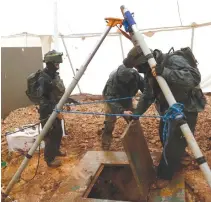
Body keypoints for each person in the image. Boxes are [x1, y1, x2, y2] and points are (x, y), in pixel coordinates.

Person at [123, 46, 206, 188]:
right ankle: (181, 157)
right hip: (168, 110)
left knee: (173, 143)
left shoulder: (173, 60)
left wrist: (166, 72)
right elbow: (148, 95)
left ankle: (165, 176)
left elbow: (193, 77)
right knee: (163, 134)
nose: (137, 70)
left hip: (186, 108)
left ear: (144, 62)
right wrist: (136, 114)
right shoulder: (150, 71)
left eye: (137, 66)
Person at [38, 50, 79, 168]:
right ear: (50, 63)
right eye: (56, 63)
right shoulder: (43, 79)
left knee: (58, 132)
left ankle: (55, 151)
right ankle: (49, 160)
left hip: (55, 109)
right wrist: (55, 111)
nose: (58, 66)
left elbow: (57, 93)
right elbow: (43, 101)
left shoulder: (53, 75)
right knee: (50, 135)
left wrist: (68, 100)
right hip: (47, 111)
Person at [101, 64, 144, 150]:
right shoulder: (112, 81)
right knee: (110, 120)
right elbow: (110, 98)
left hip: (127, 97)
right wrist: (122, 112)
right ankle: (106, 141)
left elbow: (145, 88)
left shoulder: (135, 76)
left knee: (132, 118)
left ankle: (137, 140)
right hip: (112, 99)